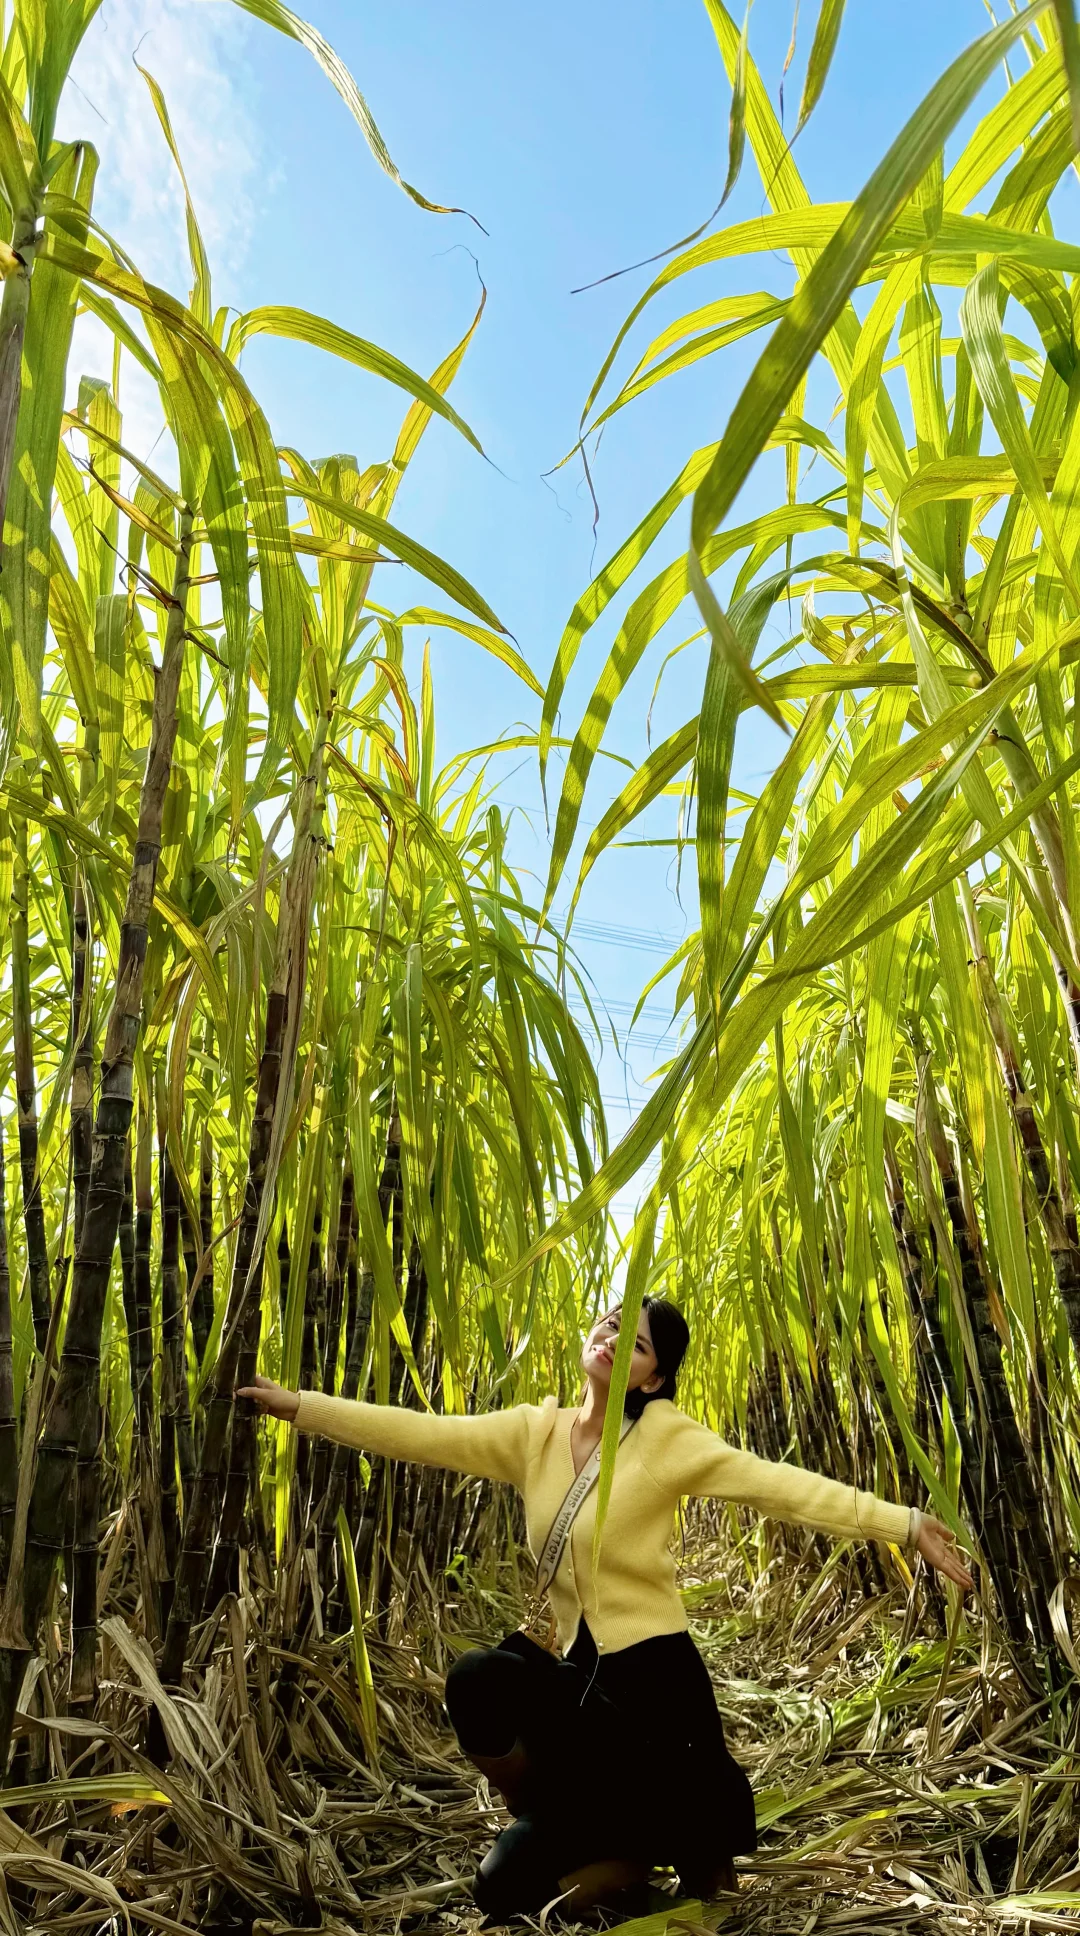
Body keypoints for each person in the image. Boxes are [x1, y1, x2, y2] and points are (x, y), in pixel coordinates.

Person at [239, 1299, 971, 1920]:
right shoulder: (534, 1433)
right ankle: (582, 1833)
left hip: (659, 1696)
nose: (616, 1339)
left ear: (654, 1377)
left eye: (638, 1343)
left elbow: (778, 1486)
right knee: (496, 1856)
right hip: (581, 1684)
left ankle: (668, 1852)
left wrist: (904, 1524)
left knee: (680, 1880)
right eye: (613, 1323)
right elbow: (422, 1435)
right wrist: (301, 1407)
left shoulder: (666, 1438)